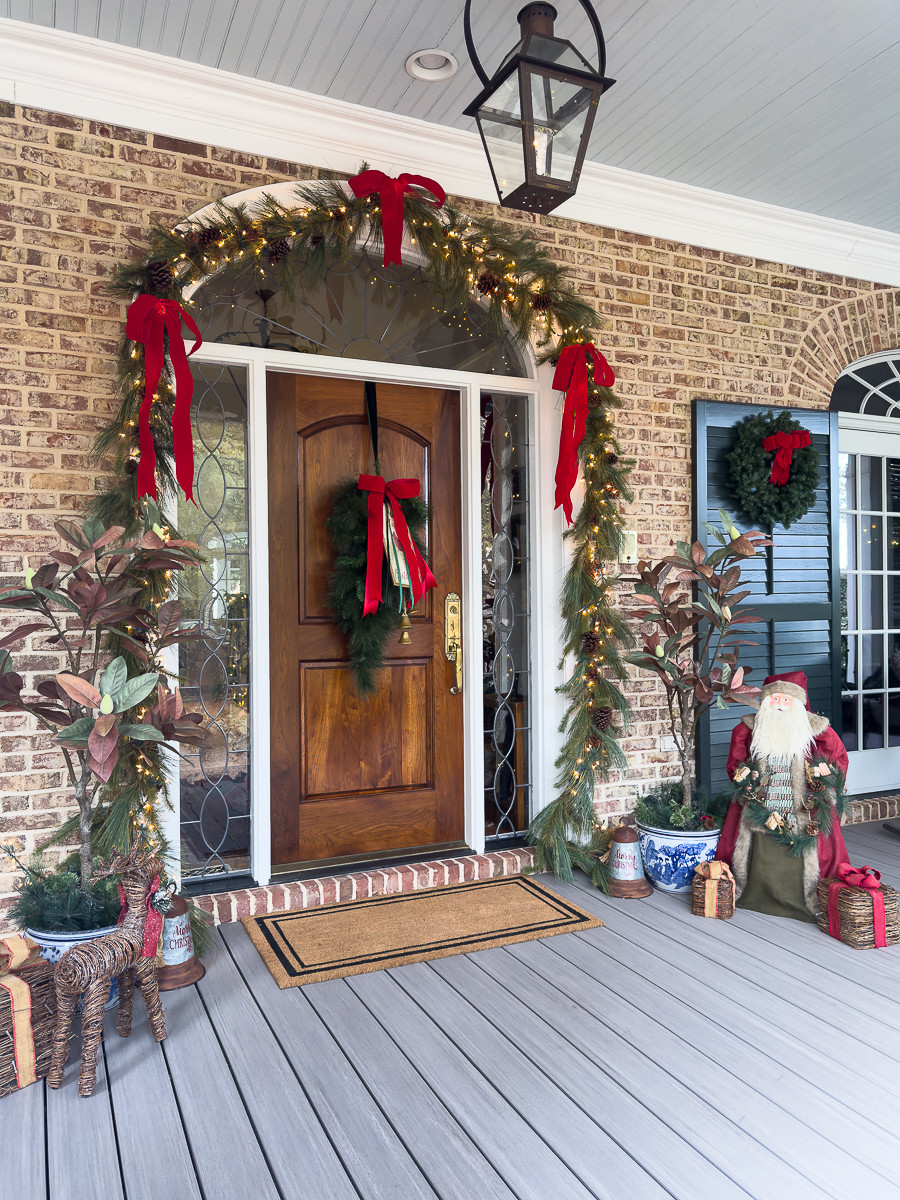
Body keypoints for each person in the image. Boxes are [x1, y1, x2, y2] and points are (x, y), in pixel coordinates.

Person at [714, 670, 849, 922]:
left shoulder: (819, 732)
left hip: (803, 808)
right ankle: (753, 892)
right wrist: (745, 776)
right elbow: (736, 764)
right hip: (760, 804)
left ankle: (804, 899)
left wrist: (825, 775)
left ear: (797, 704)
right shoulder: (747, 730)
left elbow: (837, 762)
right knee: (749, 834)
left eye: (786, 700)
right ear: (765, 702)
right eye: (775, 699)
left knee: (813, 844)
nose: (779, 705)